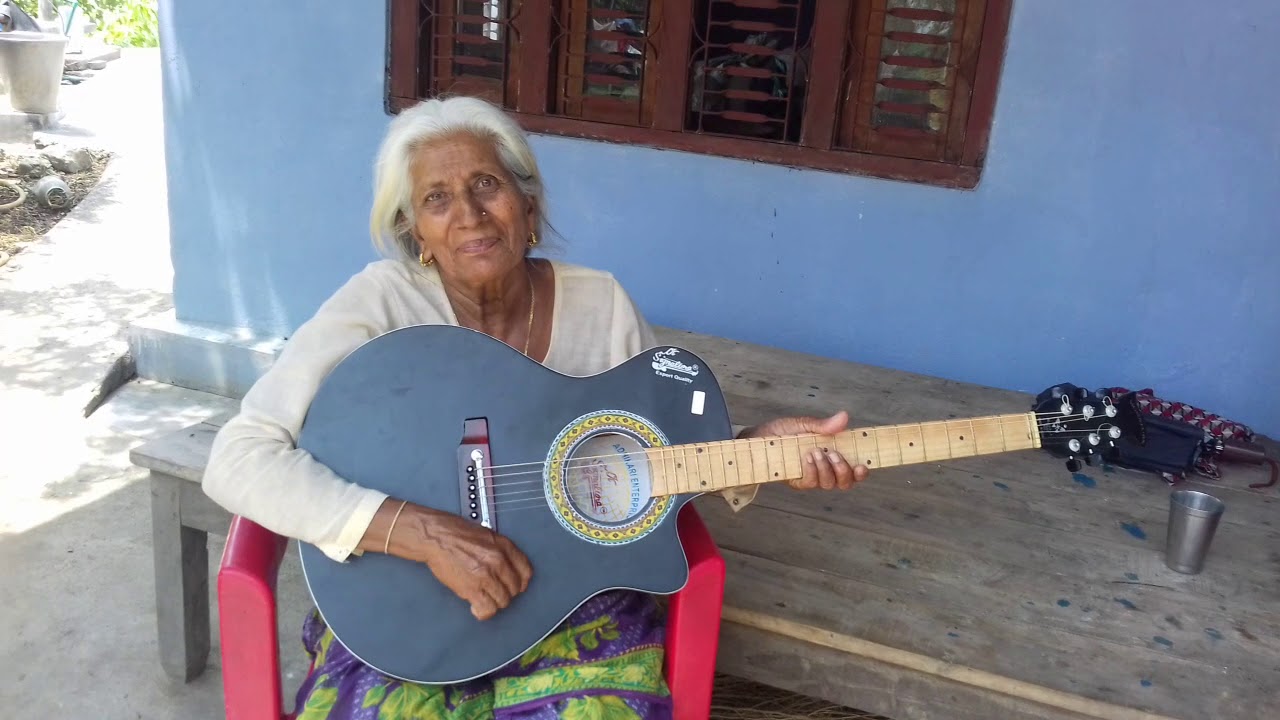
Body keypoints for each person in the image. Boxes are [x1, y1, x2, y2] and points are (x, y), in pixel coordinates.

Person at [202, 96, 869, 720]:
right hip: (407, 617)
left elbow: (652, 462)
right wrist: (424, 534)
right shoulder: (379, 307)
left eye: (486, 185)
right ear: (417, 231)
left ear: (527, 201)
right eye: (437, 198)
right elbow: (238, 458)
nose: (468, 213)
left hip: (577, 608)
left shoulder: (600, 306)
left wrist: (761, 449)